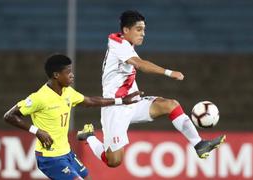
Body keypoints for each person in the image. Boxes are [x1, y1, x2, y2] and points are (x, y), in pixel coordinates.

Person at [77, 10, 226, 168]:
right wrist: (169, 73)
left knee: (170, 105)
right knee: (113, 161)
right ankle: (89, 136)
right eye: (139, 29)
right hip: (115, 108)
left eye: (144, 30)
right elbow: (140, 64)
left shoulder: (126, 44)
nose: (143, 34)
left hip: (133, 102)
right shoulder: (118, 45)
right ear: (126, 30)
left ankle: (199, 144)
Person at [3, 54, 141, 179]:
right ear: (56, 75)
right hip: (50, 158)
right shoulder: (39, 98)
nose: (72, 75)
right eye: (68, 72)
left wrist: (121, 101)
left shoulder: (67, 92)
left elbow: (90, 101)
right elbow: (9, 116)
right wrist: (37, 131)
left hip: (67, 153)